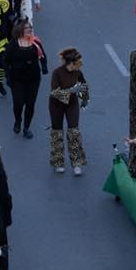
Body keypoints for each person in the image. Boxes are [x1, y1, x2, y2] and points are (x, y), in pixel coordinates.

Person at [49, 47, 89, 175]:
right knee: (57, 132)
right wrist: (72, 91)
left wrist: (84, 100)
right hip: (56, 105)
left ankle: (76, 163)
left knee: (73, 131)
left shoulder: (78, 72)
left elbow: (83, 86)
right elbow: (54, 92)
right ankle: (58, 162)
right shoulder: (57, 73)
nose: (80, 64)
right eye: (78, 62)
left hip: (72, 104)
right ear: (70, 63)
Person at [4, 19, 47, 137]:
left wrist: (44, 67)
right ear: (20, 31)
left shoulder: (35, 42)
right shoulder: (12, 45)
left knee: (30, 104)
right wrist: (7, 77)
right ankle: (18, 121)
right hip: (17, 79)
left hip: (33, 79)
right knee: (18, 103)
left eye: (30, 28)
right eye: (27, 28)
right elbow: (5, 62)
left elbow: (42, 55)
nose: (30, 30)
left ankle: (26, 128)